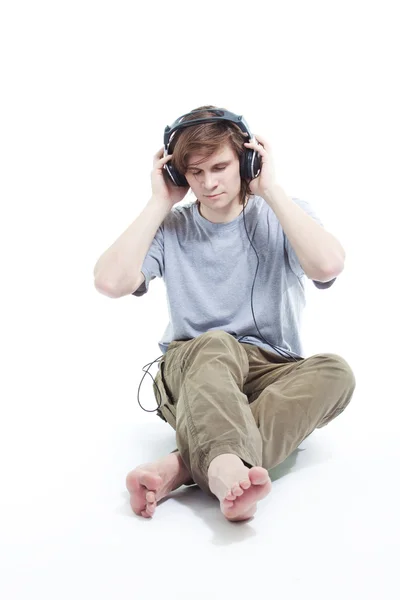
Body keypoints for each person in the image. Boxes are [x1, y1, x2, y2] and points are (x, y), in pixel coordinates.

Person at [93, 106, 356, 522]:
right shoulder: (172, 228)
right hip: (194, 366)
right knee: (217, 343)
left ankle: (182, 465)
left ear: (248, 161)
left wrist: (271, 191)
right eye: (194, 172)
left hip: (271, 369)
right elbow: (109, 282)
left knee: (336, 372)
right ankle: (222, 469)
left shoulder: (285, 213)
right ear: (180, 175)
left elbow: (327, 266)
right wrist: (158, 202)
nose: (208, 183)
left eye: (219, 166)